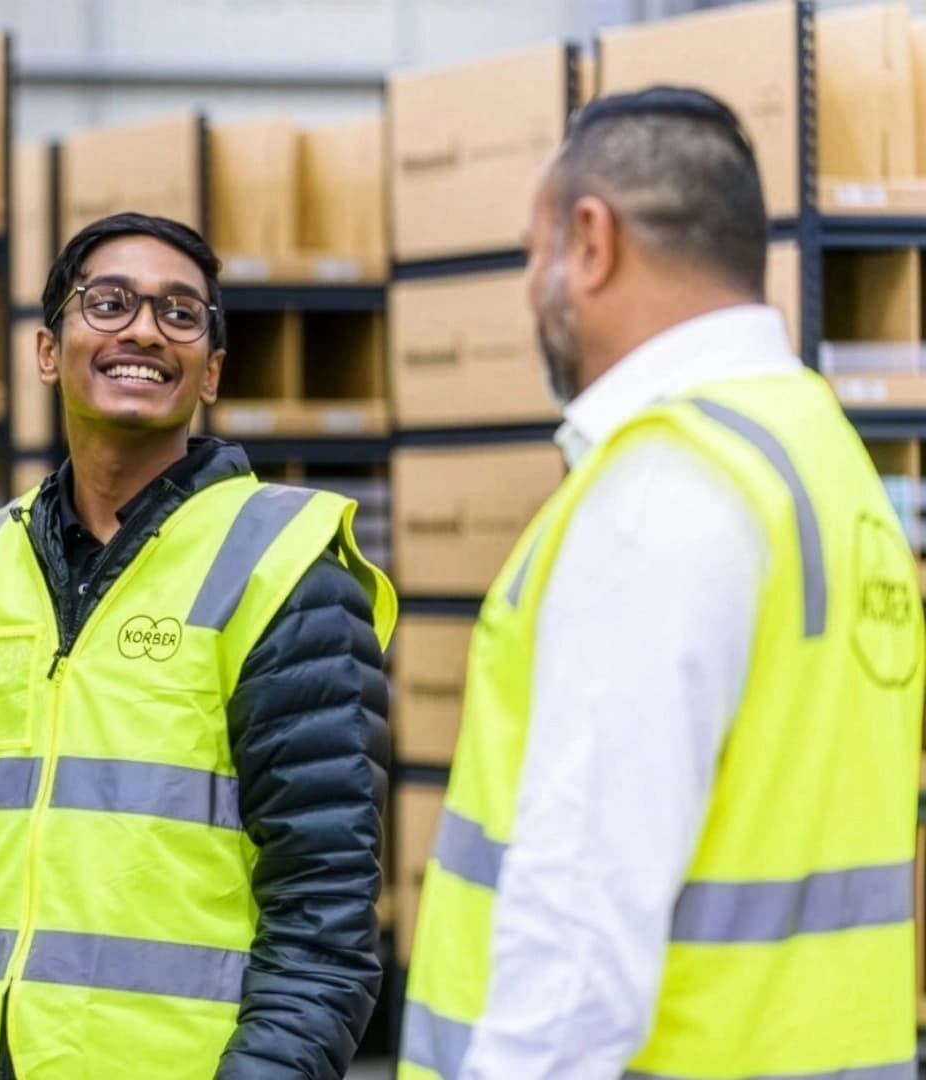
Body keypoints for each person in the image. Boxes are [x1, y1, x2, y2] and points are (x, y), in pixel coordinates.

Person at [400, 87, 925, 1080]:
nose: (526, 287)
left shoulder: (661, 494)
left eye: (531, 250)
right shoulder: (826, 459)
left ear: (591, 242)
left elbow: (578, 942)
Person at [0, 211, 398, 1079]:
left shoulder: (283, 568)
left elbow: (322, 917)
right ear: (48, 350)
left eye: (181, 313)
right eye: (108, 303)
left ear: (212, 372)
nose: (145, 329)